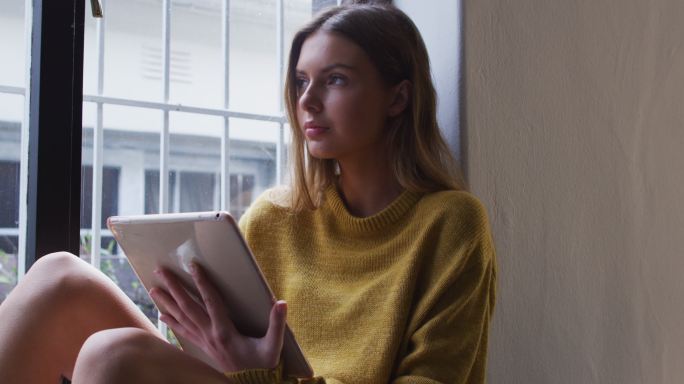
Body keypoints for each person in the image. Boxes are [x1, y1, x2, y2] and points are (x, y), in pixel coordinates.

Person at [0, 3, 497, 383]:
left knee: (112, 356)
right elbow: (206, 356)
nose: (308, 100)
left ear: (398, 98)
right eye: (301, 81)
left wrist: (257, 373)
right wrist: (195, 328)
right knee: (57, 276)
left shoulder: (450, 224)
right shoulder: (274, 218)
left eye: (336, 80)